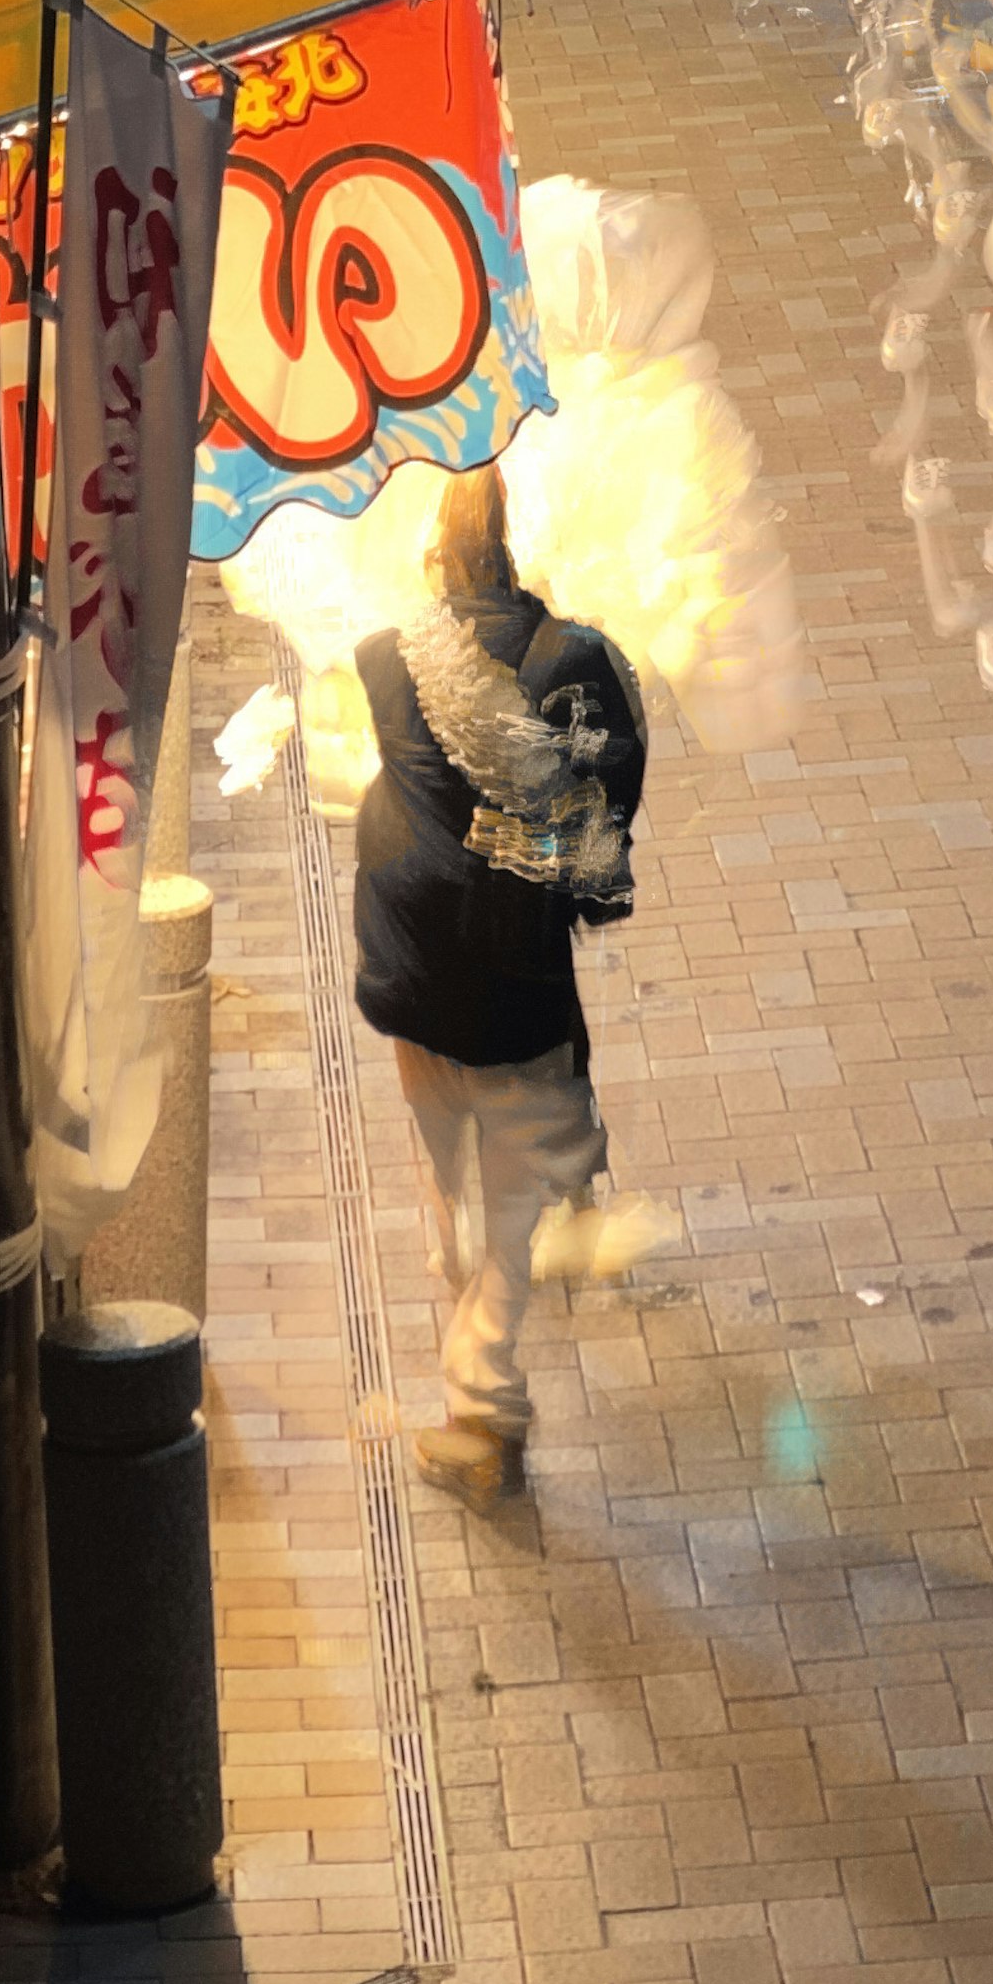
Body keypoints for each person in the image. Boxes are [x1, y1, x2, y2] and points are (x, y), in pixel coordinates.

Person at [351, 461, 647, 1501]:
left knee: (455, 1186)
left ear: (431, 547)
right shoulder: (580, 663)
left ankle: (470, 1293)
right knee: (510, 1199)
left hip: (415, 971)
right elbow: (610, 812)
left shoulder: (389, 657)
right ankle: (484, 1407)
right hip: (516, 980)